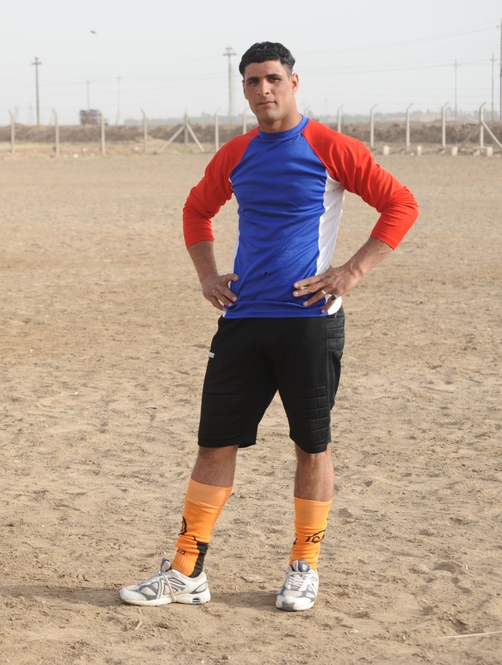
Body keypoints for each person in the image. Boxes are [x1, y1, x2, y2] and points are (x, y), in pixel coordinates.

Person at [119, 42, 418, 612]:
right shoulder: (236, 153)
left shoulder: (330, 147)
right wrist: (208, 276)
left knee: (311, 446)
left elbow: (400, 203)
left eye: (273, 79)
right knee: (213, 445)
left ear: (294, 81)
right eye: (253, 81)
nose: (264, 91)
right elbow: (195, 210)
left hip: (309, 323)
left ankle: (303, 568)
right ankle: (186, 572)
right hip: (243, 321)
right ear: (245, 88)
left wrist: (351, 271)